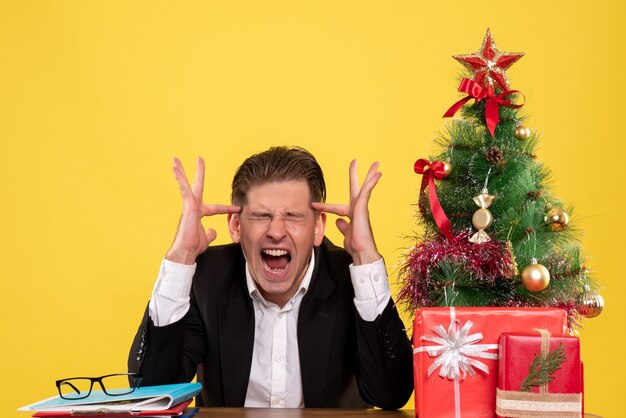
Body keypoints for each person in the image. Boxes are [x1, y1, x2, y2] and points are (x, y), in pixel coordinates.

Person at [128, 146, 413, 409]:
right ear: (236, 226)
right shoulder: (206, 278)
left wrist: (365, 258)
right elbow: (151, 395)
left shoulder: (351, 279)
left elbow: (391, 395)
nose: (276, 231)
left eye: (293, 216)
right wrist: (180, 257)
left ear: (318, 228)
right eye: (261, 215)